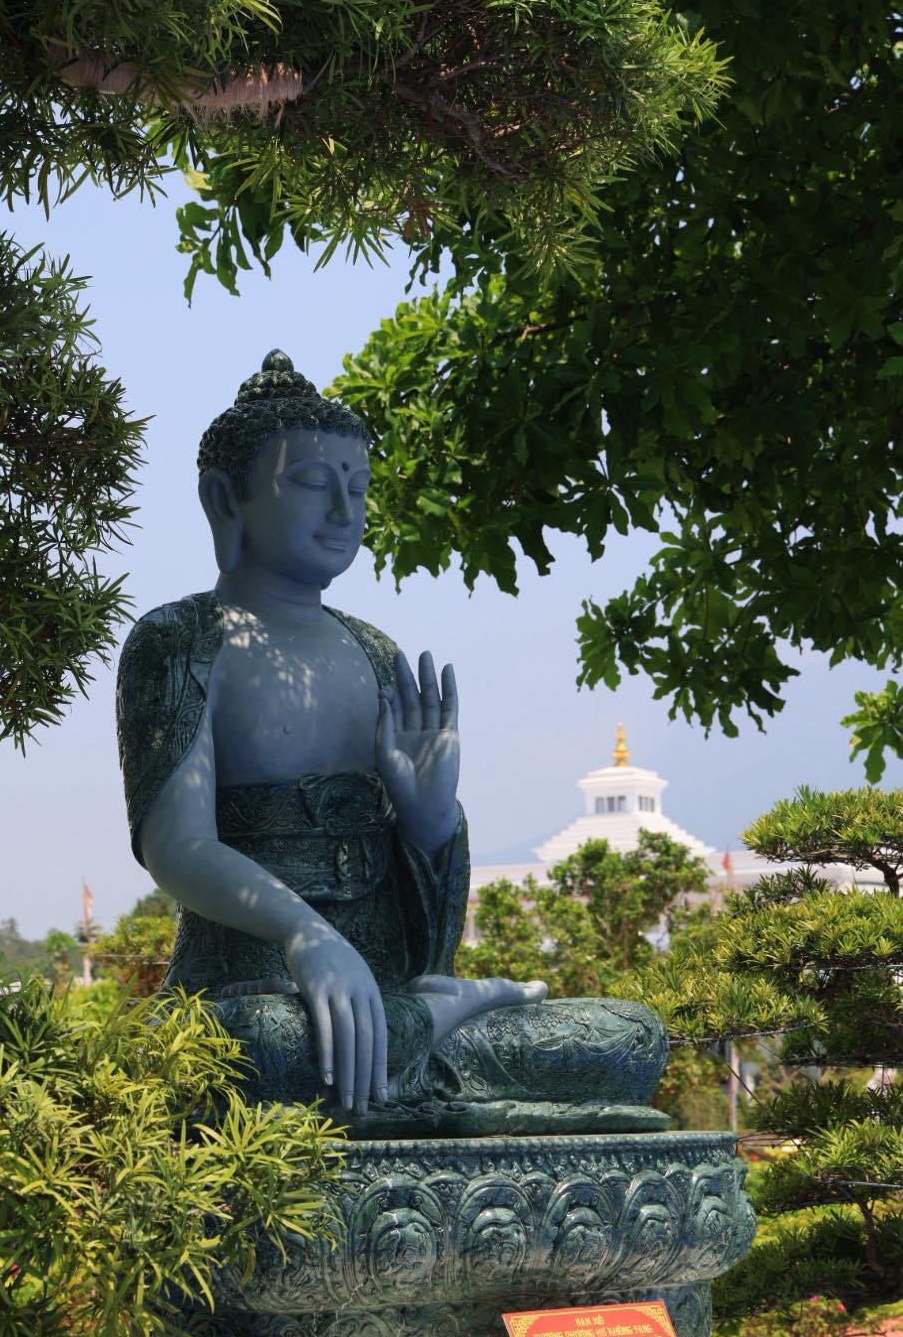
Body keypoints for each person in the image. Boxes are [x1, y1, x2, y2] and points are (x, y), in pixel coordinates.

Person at [116, 351, 667, 1135]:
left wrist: (429, 817)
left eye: (359, 486)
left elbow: (424, 897)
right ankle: (435, 1033)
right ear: (225, 500)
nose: (345, 509)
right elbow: (176, 846)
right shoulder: (180, 642)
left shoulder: (375, 655)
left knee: (629, 1038)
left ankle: (422, 1033)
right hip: (254, 997)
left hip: (387, 991)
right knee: (257, 1047)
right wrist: (304, 933)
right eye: (313, 482)